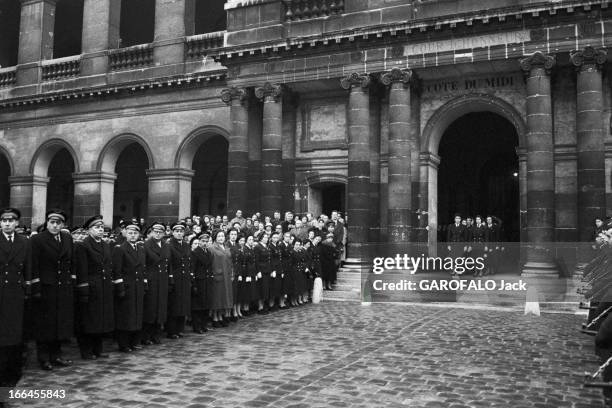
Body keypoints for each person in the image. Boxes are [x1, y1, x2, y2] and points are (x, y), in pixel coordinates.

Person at [30, 209, 74, 370]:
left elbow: (71, 261)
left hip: (63, 286)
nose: (55, 226)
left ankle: (56, 355)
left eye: (58, 223)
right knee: (45, 325)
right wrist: (36, 287)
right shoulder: (38, 240)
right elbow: (33, 265)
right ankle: (43, 358)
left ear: (63, 224)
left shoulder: (67, 238)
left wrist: (71, 281)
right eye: (52, 222)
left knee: (60, 323)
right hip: (46, 287)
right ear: (47, 223)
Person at [74, 215, 114, 360]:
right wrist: (84, 289)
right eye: (97, 227)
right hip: (91, 286)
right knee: (88, 320)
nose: (100, 230)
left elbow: (109, 266)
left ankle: (98, 349)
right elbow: (82, 269)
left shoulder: (105, 244)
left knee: (100, 319)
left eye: (102, 227)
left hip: (103, 287)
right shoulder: (83, 245)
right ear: (89, 230)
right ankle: (86, 351)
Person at [0, 208, 30, 389]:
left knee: (14, 331)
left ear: (17, 223)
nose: (7, 223)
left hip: (15, 292)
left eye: (11, 220)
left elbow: (29, 266)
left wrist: (28, 288)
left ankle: (13, 372)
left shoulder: (24, 242)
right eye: (4, 220)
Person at [111, 221, 146, 352]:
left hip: (138, 286)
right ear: (125, 234)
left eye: (135, 233)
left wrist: (144, 285)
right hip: (127, 286)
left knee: (137, 314)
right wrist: (120, 287)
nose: (132, 235)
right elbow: (117, 270)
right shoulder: (120, 249)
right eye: (130, 233)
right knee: (126, 316)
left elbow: (143, 269)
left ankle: (135, 341)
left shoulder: (140, 249)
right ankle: (124, 343)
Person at [142, 222, 169, 345]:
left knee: (160, 307)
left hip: (162, 279)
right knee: (150, 308)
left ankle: (156, 334)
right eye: (156, 232)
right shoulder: (146, 245)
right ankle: (146, 335)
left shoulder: (165, 245)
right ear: (151, 232)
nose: (158, 234)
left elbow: (167, 263)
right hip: (151, 279)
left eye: (160, 232)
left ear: (163, 234)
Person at [166, 222, 192, 339]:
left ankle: (180, 329)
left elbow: (188, 262)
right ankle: (172, 330)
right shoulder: (169, 245)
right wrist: (171, 278)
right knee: (174, 305)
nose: (179, 233)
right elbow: (169, 264)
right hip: (175, 278)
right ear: (172, 232)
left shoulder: (186, 245)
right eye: (177, 231)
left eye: (181, 231)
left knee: (183, 304)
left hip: (184, 278)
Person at [209, 230, 234, 327]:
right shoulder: (212, 248)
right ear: (215, 237)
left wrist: (232, 274)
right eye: (219, 236)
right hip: (217, 276)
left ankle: (221, 316)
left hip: (226, 276)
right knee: (217, 298)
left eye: (222, 236)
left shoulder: (227, 248)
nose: (221, 238)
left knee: (224, 297)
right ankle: (215, 318)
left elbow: (230, 263)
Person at [191, 233, 211, 334]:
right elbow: (193, 269)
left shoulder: (207, 252)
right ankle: (197, 326)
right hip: (199, 281)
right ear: (199, 241)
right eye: (203, 241)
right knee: (197, 306)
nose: (205, 243)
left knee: (205, 304)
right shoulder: (195, 252)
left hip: (206, 281)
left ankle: (203, 324)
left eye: (206, 241)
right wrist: (194, 284)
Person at [255, 234, 272, 313]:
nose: (266, 239)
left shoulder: (267, 246)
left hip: (267, 270)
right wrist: (258, 271)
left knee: (266, 289)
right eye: (265, 237)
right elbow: (257, 260)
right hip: (261, 270)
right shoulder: (258, 247)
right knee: (261, 289)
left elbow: (269, 259)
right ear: (261, 238)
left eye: (267, 237)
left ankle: (265, 305)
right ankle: (260, 307)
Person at [446, 213, 466, 278]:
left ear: (460, 220)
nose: (457, 219)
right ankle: (453, 270)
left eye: (459, 218)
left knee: (459, 258)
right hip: (453, 244)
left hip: (460, 245)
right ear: (454, 219)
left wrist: (465, 245)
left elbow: (465, 237)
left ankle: (458, 270)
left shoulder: (463, 227)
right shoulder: (451, 226)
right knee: (453, 258)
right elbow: (449, 236)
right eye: (456, 218)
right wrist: (448, 245)